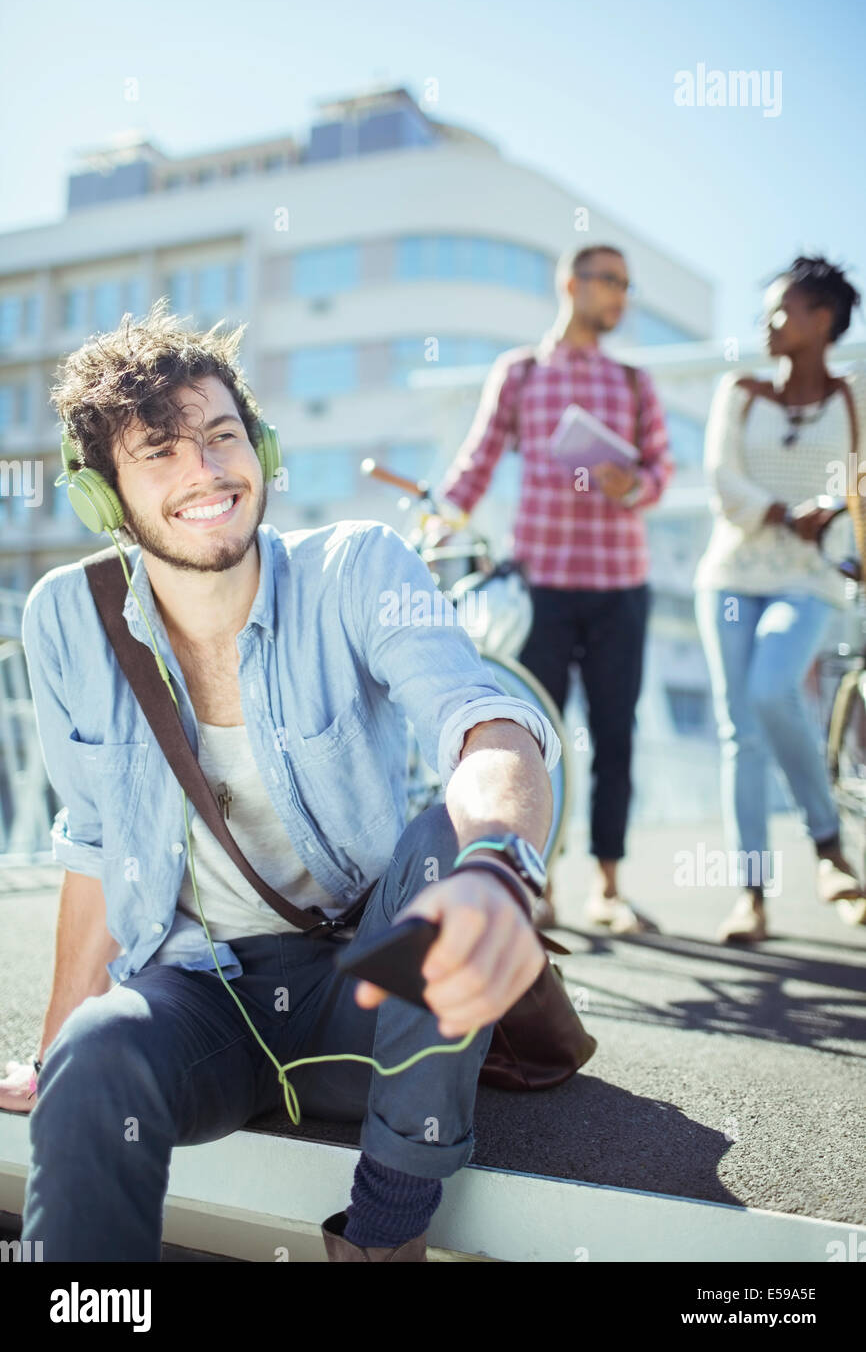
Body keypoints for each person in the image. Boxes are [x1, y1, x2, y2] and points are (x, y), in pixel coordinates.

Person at [1, 301, 564, 1263]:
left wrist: (500, 867)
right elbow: (91, 842)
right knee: (94, 1055)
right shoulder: (65, 619)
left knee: (448, 846)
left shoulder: (358, 567)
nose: (206, 473)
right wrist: (59, 1046)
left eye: (223, 438)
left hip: (370, 992)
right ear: (104, 497)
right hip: (196, 1000)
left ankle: (386, 1234)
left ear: (258, 446)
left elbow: (483, 722)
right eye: (161, 453)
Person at [433, 245, 674, 934]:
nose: (620, 296)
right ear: (571, 284)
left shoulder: (633, 382)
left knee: (614, 734)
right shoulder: (521, 372)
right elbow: (477, 460)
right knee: (531, 741)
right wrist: (435, 522)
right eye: (610, 282)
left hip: (619, 584)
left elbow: (660, 471)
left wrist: (637, 484)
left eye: (628, 285)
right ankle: (538, 887)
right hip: (539, 583)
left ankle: (609, 887)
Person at [694, 254, 866, 944]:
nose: (766, 323)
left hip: (809, 578)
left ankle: (827, 848)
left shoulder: (855, 397)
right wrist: (782, 511)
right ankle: (752, 897)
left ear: (821, 320)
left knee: (772, 691)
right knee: (741, 735)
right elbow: (720, 479)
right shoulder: (739, 391)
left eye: (780, 311)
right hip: (731, 576)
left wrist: (839, 517)